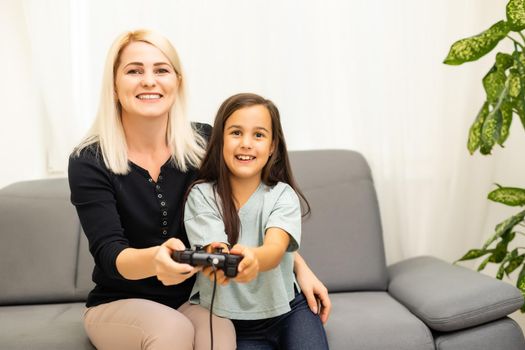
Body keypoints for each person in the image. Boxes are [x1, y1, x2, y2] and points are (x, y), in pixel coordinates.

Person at [68, 29, 330, 350]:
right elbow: (110, 254)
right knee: (172, 329)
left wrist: (300, 268)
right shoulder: (89, 161)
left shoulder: (202, 142)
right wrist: (155, 261)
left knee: (220, 334)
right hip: (119, 301)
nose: (149, 80)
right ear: (113, 84)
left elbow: (248, 211)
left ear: (177, 82)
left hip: (192, 299)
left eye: (161, 70)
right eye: (134, 70)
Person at [184, 93, 330, 349]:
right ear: (219, 141)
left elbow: (274, 250)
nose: (246, 143)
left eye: (259, 135)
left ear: (273, 145)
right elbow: (212, 246)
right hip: (227, 320)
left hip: (289, 311)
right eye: (236, 133)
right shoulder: (201, 195)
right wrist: (219, 256)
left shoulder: (282, 195)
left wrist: (254, 259)